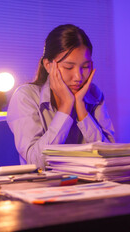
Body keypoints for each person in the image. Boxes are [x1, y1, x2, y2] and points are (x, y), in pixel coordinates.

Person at [7, 24, 115, 169]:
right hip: (43, 188)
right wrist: (66, 107)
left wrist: (82, 110)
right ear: (48, 65)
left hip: (87, 186)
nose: (78, 77)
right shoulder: (25, 96)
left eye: (85, 67)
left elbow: (110, 157)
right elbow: (36, 163)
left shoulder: (94, 94)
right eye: (68, 67)